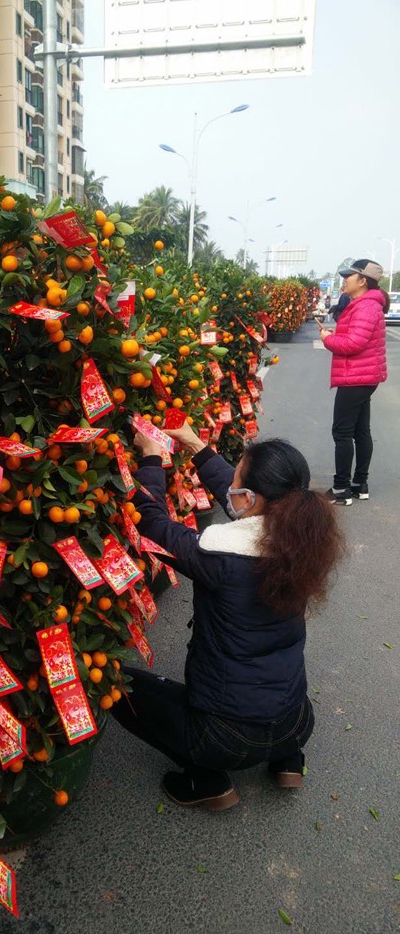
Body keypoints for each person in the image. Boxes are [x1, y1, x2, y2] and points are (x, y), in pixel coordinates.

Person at [112, 423, 344, 811]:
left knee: (116, 685)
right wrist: (195, 444)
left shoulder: (218, 556)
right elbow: (244, 504)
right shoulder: (302, 542)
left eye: (237, 478)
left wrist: (150, 457)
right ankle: (287, 759)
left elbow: (151, 521)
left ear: (251, 498)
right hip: (296, 722)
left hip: (227, 738)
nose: (230, 485)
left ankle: (206, 781)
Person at [317, 259, 388, 504]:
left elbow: (353, 343)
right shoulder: (364, 304)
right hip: (363, 376)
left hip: (356, 377)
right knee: (360, 431)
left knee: (343, 432)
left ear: (363, 281)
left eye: (349, 276)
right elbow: (356, 337)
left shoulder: (366, 306)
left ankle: (341, 489)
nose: (345, 279)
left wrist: (328, 339)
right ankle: (360, 484)